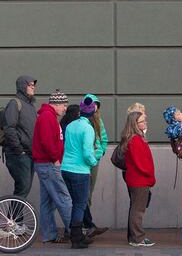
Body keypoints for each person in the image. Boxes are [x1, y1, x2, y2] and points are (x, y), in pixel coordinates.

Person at [32, 90, 72, 244]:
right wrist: (55, 159)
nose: (65, 109)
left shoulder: (47, 116)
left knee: (47, 201)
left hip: (44, 163)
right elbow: (47, 142)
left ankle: (49, 234)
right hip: (48, 163)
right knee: (63, 198)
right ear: (56, 104)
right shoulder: (48, 118)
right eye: (63, 105)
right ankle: (75, 231)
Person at [61, 91, 99, 249]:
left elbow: (67, 146)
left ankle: (76, 235)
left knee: (74, 203)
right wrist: (93, 161)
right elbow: (87, 152)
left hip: (65, 168)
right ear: (91, 112)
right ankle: (76, 238)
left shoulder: (70, 125)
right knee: (80, 204)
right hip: (80, 171)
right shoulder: (88, 128)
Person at [122, 111, 156, 247]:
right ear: (135, 124)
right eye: (142, 121)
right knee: (138, 210)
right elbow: (142, 163)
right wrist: (150, 175)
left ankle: (135, 237)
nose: (145, 123)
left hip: (137, 179)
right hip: (139, 180)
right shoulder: (135, 140)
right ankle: (137, 238)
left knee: (136, 209)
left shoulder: (134, 138)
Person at [3, 76, 38, 198]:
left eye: (34, 85)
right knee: (23, 188)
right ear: (22, 86)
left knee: (24, 189)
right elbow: (9, 128)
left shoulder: (31, 106)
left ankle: (14, 217)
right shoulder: (15, 103)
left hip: (29, 154)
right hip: (18, 154)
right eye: (30, 85)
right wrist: (19, 150)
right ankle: (14, 217)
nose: (33, 87)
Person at [80, 94, 109, 239]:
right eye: (93, 103)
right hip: (83, 162)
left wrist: (101, 152)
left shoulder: (99, 121)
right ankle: (86, 224)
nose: (95, 106)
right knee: (83, 194)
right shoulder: (82, 122)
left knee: (89, 193)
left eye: (97, 104)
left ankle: (87, 224)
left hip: (95, 161)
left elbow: (104, 139)